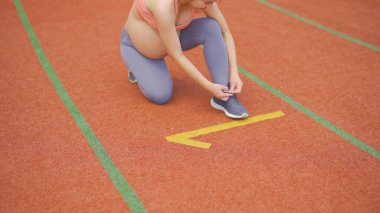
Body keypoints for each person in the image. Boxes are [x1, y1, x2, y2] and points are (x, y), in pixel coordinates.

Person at [120, 0, 249, 119]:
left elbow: (225, 32)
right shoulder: (163, 5)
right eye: (207, 2)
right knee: (161, 96)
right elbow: (177, 55)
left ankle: (225, 96)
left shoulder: (205, 2)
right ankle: (137, 66)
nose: (210, 6)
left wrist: (234, 73)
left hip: (172, 41)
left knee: (212, 27)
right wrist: (207, 85)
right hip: (139, 49)